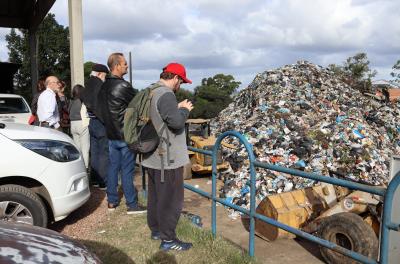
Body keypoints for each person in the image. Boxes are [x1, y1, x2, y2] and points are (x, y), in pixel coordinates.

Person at [142, 62, 194, 251]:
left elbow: (160, 115)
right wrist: (184, 110)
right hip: (167, 158)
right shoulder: (166, 94)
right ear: (176, 78)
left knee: (156, 197)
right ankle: (169, 239)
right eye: (181, 81)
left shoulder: (151, 90)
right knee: (171, 200)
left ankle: (156, 230)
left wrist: (175, 107)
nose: (181, 86)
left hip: (152, 155)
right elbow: (177, 123)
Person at [97, 53, 145, 214]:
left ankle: (112, 201)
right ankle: (132, 205)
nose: (127, 66)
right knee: (127, 170)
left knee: (112, 168)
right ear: (116, 65)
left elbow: (99, 110)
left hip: (111, 134)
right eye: (124, 64)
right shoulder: (123, 86)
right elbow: (139, 105)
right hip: (126, 135)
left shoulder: (103, 85)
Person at [80, 63, 109, 189]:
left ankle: (94, 180)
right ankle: (103, 181)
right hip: (100, 122)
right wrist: (106, 121)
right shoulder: (99, 85)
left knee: (95, 151)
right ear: (99, 74)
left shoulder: (87, 85)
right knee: (103, 152)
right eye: (104, 75)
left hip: (91, 122)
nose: (105, 78)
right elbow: (100, 106)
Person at [69, 84, 90, 169]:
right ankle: (85, 167)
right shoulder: (83, 101)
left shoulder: (71, 101)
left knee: (77, 148)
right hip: (82, 124)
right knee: (85, 148)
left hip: (72, 124)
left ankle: (78, 167)